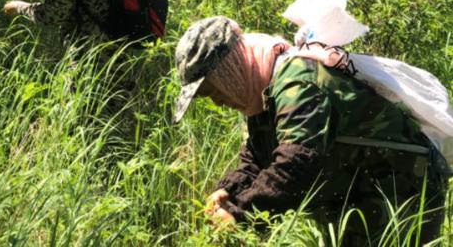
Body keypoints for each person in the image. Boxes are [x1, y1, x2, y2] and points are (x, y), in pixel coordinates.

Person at [173, 16, 450, 244]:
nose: (217, 101)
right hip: (357, 196)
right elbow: (260, 154)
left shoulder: (298, 82)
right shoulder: (262, 91)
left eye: (212, 90)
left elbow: (297, 162)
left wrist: (239, 212)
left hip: (403, 191)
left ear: (229, 70)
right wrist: (228, 190)